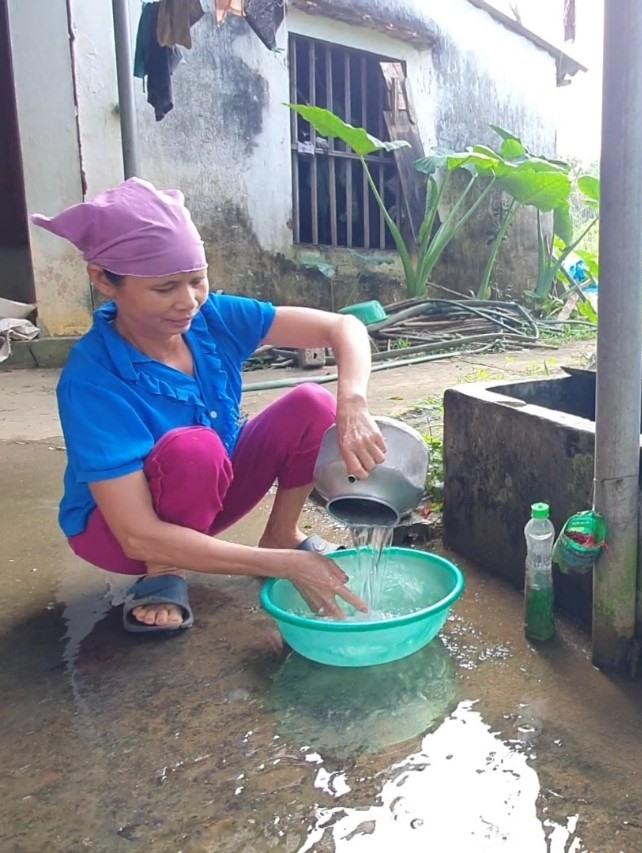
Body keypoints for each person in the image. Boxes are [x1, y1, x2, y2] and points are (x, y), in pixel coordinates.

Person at [34, 178, 387, 633]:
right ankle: (164, 573)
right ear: (103, 279)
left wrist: (352, 401)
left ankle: (282, 534)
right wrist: (284, 568)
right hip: (120, 535)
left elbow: (344, 327)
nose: (187, 302)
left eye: (197, 280)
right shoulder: (93, 380)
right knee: (194, 449)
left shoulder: (211, 317)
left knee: (311, 404)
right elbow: (135, 531)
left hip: (211, 491)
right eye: (164, 289)